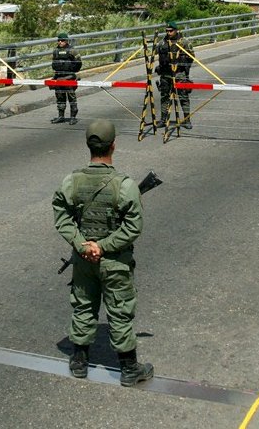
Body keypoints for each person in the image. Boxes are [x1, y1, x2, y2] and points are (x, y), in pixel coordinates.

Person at [52, 119, 154, 387]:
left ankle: (79, 362)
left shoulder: (72, 181)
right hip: (115, 261)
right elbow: (133, 227)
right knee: (119, 310)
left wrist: (82, 243)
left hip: (83, 259)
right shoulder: (125, 185)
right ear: (114, 146)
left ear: (89, 145)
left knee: (83, 305)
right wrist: (104, 246)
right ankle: (129, 369)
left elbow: (61, 214)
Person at [156, 21, 193, 128]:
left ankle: (187, 120)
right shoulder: (162, 42)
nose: (168, 33)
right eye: (167, 31)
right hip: (166, 74)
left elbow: (191, 57)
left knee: (183, 97)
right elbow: (158, 55)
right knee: (164, 97)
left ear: (176, 30)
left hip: (179, 74)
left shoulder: (184, 42)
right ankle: (163, 119)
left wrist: (183, 66)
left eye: (171, 31)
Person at [50, 33, 82, 125]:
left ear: (66, 41)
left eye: (62, 40)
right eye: (59, 40)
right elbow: (54, 63)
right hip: (59, 77)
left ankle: (73, 117)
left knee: (71, 97)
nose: (60, 42)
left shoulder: (72, 50)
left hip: (69, 78)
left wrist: (71, 72)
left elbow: (78, 63)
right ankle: (61, 116)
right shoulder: (55, 51)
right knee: (60, 97)